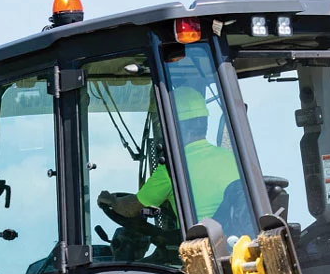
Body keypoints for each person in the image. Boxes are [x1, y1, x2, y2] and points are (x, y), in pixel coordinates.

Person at [100, 85, 240, 225]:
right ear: (205, 122)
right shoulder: (234, 160)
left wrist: (112, 201)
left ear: (176, 127)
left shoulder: (173, 168)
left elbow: (131, 208)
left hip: (197, 239)